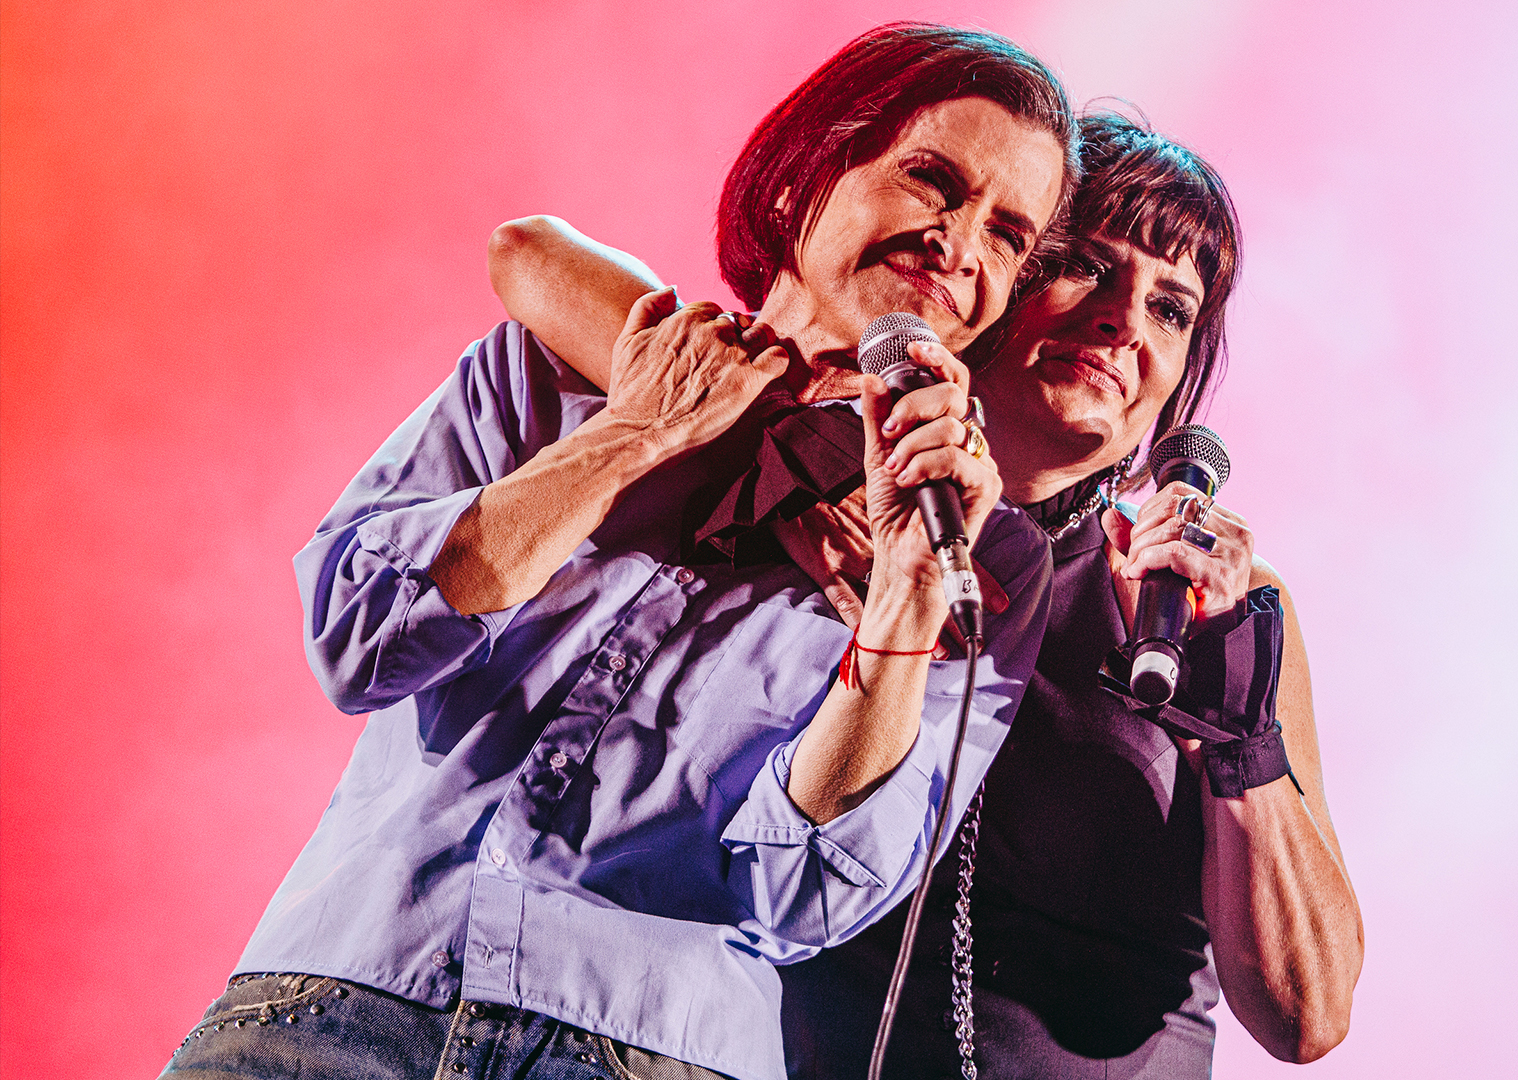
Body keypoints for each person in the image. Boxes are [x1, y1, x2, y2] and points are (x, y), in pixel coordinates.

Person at [160, 24, 1078, 1080]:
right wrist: (635, 432)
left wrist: (906, 606)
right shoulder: (560, 372)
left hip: (653, 1054)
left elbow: (810, 895)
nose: (959, 242)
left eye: (1008, 233)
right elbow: (360, 640)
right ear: (811, 170)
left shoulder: (974, 545)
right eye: (931, 180)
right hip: (333, 1009)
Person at [490, 110, 1364, 1079]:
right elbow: (533, 261)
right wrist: (779, 439)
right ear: (994, 284)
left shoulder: (1208, 605)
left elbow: (1308, 1015)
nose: (1122, 319)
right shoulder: (843, 478)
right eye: (1086, 265)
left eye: (1171, 307)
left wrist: (1244, 751)